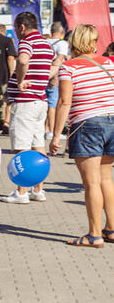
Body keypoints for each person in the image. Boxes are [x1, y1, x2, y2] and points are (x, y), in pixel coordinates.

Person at [50, 24, 114, 247]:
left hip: (87, 125)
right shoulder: (110, 63)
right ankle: (112, 229)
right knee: (106, 179)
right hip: (112, 121)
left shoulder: (69, 67)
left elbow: (64, 101)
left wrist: (56, 135)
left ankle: (94, 235)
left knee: (91, 184)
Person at [3, 11, 54, 204]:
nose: (16, 32)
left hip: (25, 102)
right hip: (40, 101)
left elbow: (23, 60)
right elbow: (55, 64)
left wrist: (21, 80)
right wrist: (45, 80)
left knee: (22, 147)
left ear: (22, 27)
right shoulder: (46, 45)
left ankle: (21, 192)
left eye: (16, 28)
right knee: (38, 146)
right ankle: (38, 189)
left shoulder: (26, 42)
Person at [0, 23, 17, 134]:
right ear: (4, 31)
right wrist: (12, 72)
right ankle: (6, 121)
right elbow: (10, 58)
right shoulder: (7, 40)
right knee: (7, 98)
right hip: (4, 73)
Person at [45, 22, 70, 141]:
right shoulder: (62, 43)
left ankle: (46, 129)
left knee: (46, 103)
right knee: (53, 105)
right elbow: (59, 60)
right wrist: (54, 77)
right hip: (54, 77)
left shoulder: (44, 42)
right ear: (62, 33)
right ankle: (52, 130)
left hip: (42, 75)